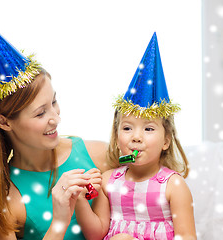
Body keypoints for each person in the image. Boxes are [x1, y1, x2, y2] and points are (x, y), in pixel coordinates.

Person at [0, 12, 108, 239]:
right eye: (40, 113)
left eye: (54, 102)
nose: (55, 118)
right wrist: (59, 221)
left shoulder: (99, 155)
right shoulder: (1, 200)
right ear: (4, 122)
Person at [75, 33, 197, 239]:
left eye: (148, 129)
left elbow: (187, 236)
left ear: (166, 141)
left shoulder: (173, 185)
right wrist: (79, 200)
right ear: (116, 135)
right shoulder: (108, 181)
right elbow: (96, 234)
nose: (136, 137)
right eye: (127, 128)